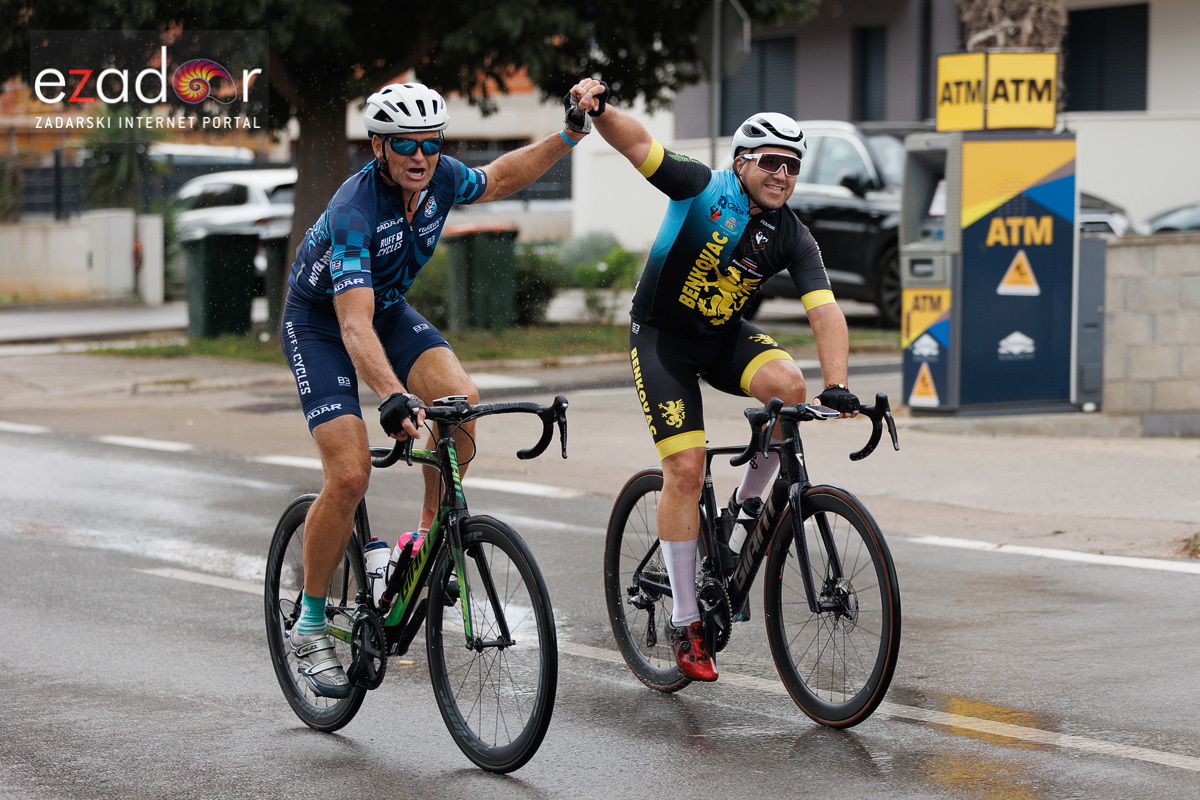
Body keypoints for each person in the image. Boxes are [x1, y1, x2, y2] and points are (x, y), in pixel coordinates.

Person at [280, 82, 592, 698]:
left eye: (430, 143)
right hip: (321, 323)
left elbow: (500, 177)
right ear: (378, 146)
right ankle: (310, 624)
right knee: (349, 475)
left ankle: (422, 544)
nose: (420, 156)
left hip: (385, 309)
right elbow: (352, 326)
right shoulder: (354, 210)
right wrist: (392, 395)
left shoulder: (441, 178)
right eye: (405, 145)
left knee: (460, 403)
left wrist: (569, 135)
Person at [570, 78, 860, 682]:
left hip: (721, 336)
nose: (783, 175)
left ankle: (743, 511)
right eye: (772, 162)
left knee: (791, 387)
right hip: (662, 341)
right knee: (686, 467)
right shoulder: (702, 188)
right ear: (742, 161)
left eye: (794, 165)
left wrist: (837, 384)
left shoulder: (791, 233)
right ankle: (685, 621)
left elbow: (825, 310)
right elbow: (640, 146)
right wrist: (599, 110)